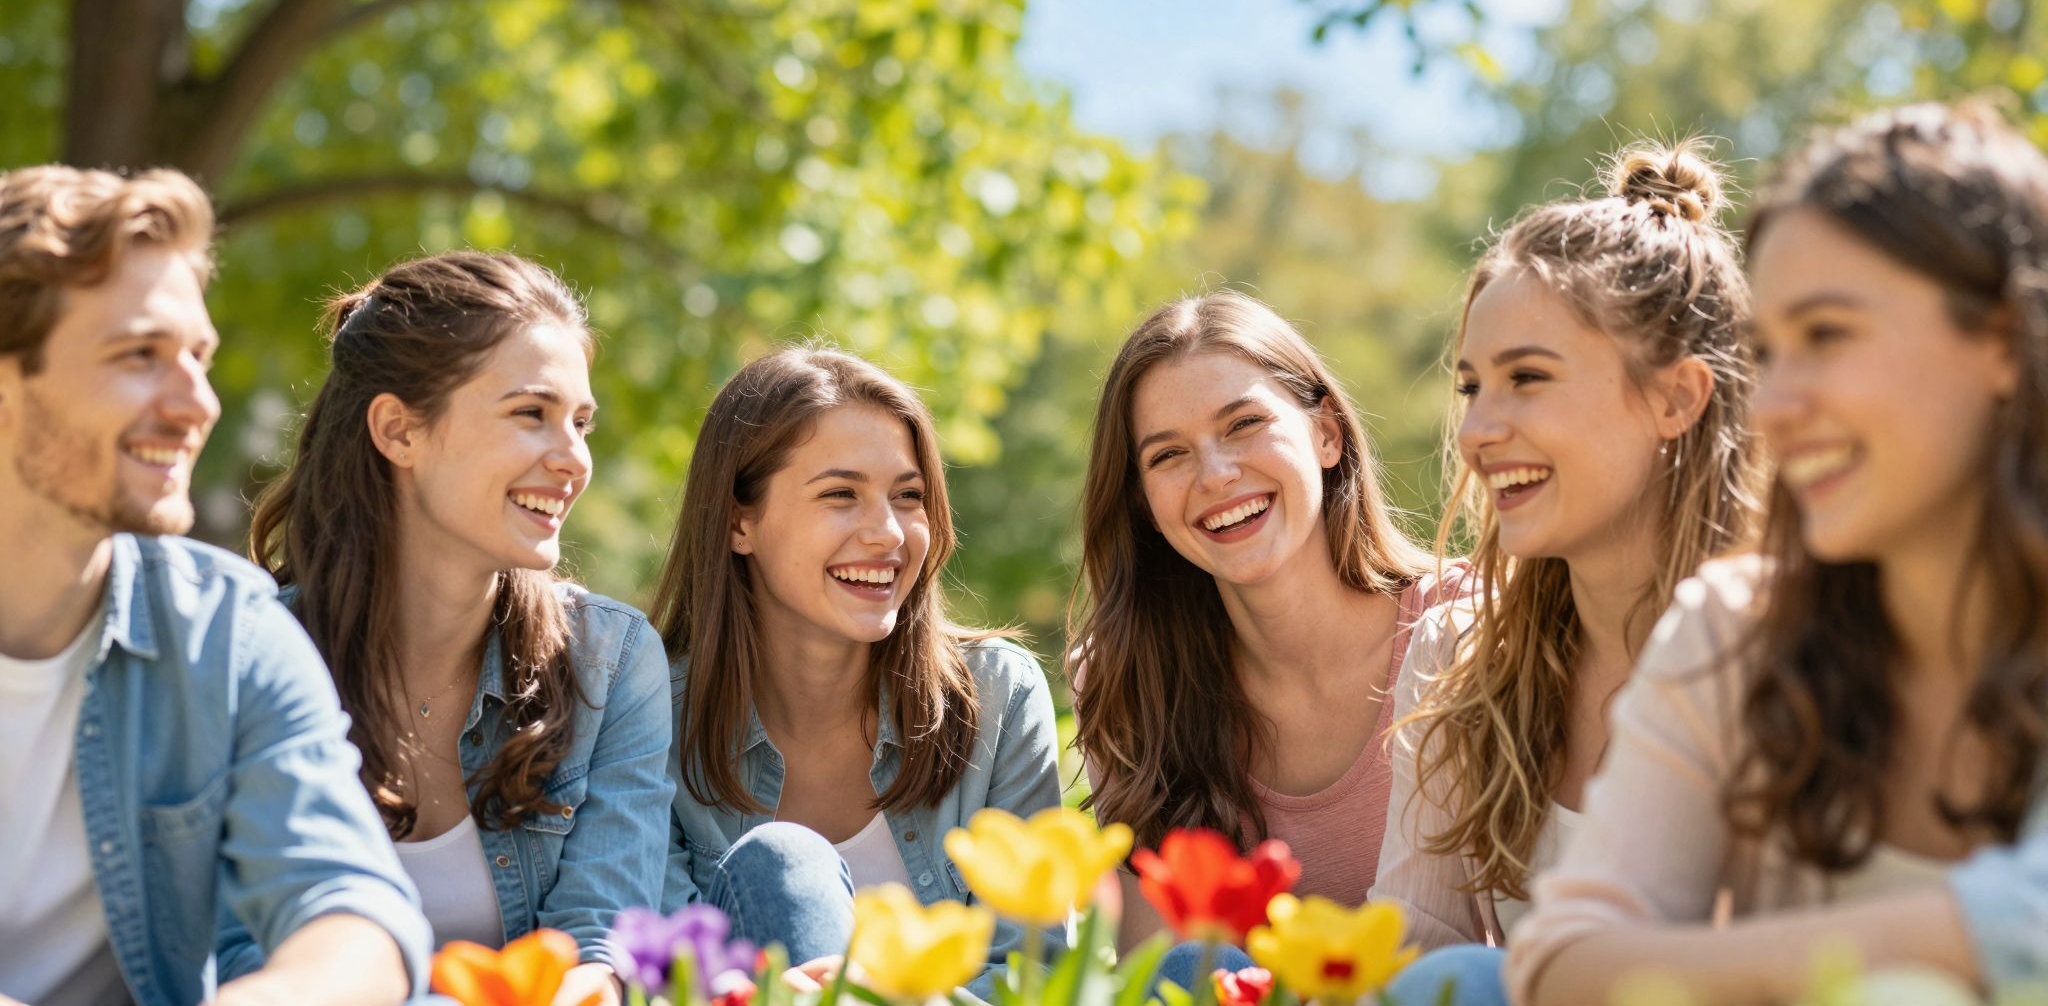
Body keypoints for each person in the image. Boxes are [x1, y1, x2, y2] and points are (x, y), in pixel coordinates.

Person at [1507, 103, 2048, 1005]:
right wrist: (1988, 930)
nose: (1772, 406)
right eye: (1770, 351)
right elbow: (1558, 961)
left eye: (1828, 334)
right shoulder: (1735, 632)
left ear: (2001, 342)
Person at [0, 166, 427, 1006]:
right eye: (139, 356)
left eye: (197, 357)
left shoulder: (224, 630)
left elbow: (358, 913)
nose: (198, 404)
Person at [217, 250, 673, 1006]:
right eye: (531, 414)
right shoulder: (248, 658)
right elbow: (236, 952)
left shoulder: (612, 660)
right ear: (399, 430)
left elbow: (601, 940)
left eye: (581, 422)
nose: (574, 459)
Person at [1373, 144, 1765, 1005]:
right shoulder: (1461, 656)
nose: (1476, 432)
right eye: (1472, 387)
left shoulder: (1788, 653)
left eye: (1527, 378)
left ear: (1677, 398)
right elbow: (1413, 941)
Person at [1066, 291, 1462, 982]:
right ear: (1144, 504)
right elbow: (1157, 966)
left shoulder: (1466, 624)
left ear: (1326, 434)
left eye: (1244, 424)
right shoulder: (1127, 679)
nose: (1216, 475)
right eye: (1168, 455)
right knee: (1184, 968)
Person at [655, 345, 1059, 996]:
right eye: (841, 494)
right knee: (782, 864)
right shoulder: (652, 717)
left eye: (908, 496)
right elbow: (660, 977)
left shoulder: (998, 696)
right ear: (738, 522)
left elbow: (1031, 972)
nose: (889, 534)